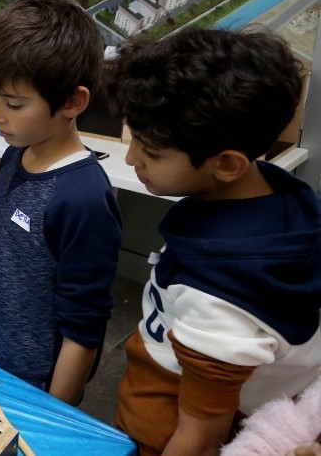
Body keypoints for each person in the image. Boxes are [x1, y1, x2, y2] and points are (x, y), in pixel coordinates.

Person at [106, 26, 321, 456]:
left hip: (165, 432)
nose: (132, 159)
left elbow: (200, 437)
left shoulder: (221, 303)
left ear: (226, 164)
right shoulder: (277, 195)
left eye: (151, 151)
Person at [0, 0, 122, 405]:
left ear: (73, 102)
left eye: (14, 104)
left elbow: (83, 329)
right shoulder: (15, 152)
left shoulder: (82, 197)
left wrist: (54, 413)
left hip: (33, 381)